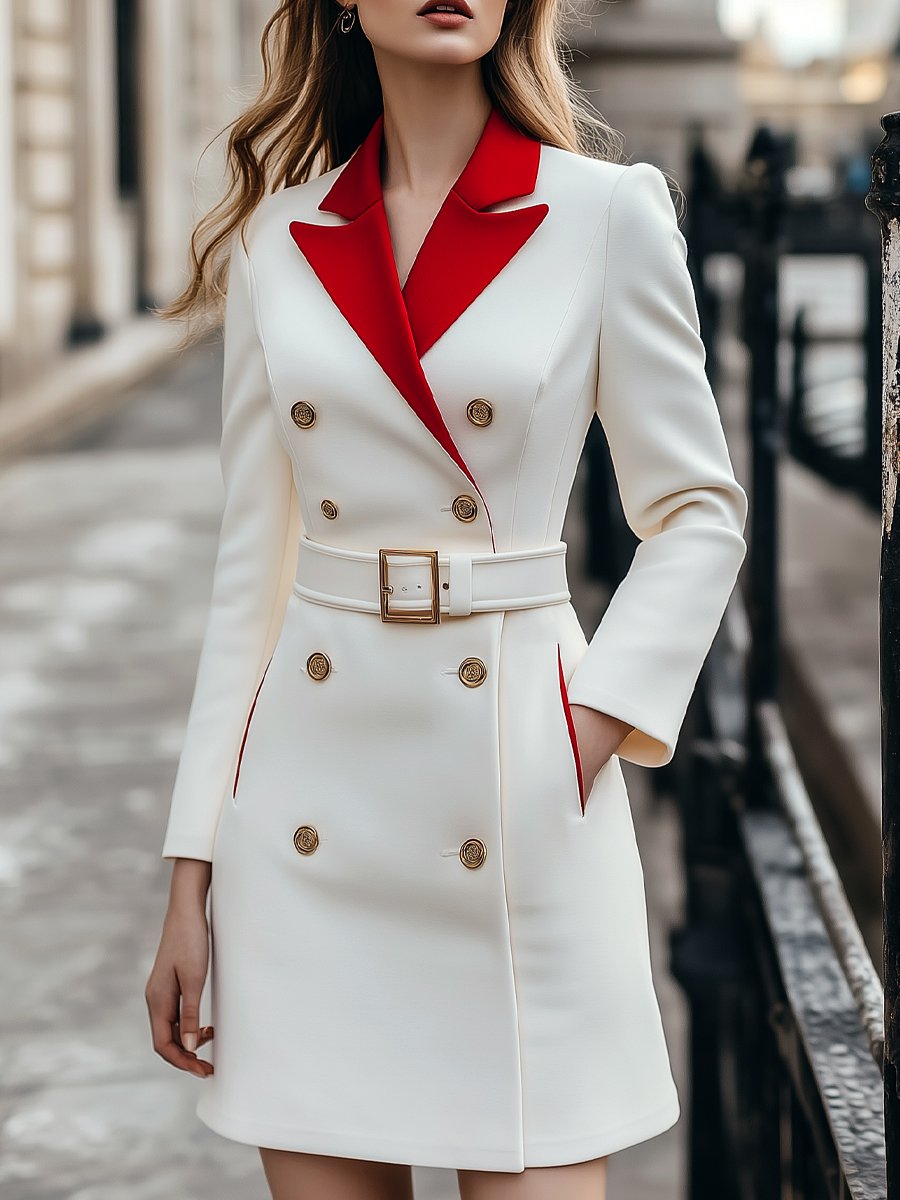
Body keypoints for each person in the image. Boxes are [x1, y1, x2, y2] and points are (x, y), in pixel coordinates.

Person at [144, 1, 748, 1197]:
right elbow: (248, 581)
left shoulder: (603, 213)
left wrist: (588, 725)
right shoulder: (278, 237)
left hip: (517, 792)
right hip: (312, 821)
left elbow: (697, 513)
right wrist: (190, 872)